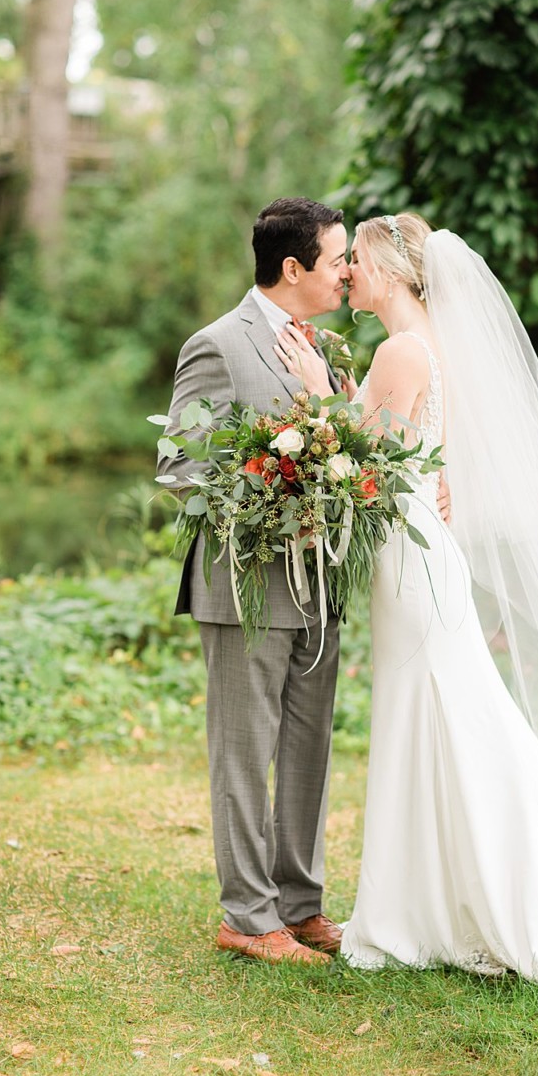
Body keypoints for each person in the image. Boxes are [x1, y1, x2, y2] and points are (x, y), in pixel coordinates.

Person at [276, 213, 538, 1022]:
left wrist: (315, 392)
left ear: (393, 272)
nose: (350, 275)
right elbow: (417, 456)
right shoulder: (426, 343)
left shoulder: (401, 351)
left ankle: (438, 909)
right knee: (433, 718)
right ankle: (426, 904)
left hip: (414, 565)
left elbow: (368, 463)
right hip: (419, 551)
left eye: (358, 261)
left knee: (449, 718)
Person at [158, 197, 350, 965]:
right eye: (337, 259)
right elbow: (180, 465)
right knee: (244, 752)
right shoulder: (216, 345)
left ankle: (300, 905)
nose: (347, 273)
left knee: (310, 748)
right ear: (293, 267)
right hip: (245, 584)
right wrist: (274, 488)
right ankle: (247, 916)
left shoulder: (325, 348)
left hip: (319, 581)